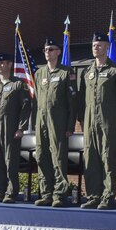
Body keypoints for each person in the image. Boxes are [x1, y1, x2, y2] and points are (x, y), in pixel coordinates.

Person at [79, 33, 116, 210]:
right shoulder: (86, 72)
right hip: (89, 122)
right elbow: (81, 98)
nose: (96, 47)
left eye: (100, 45)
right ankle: (94, 195)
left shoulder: (115, 70)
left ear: (107, 47)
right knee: (91, 158)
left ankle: (107, 197)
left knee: (107, 158)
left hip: (108, 121)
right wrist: (81, 118)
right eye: (94, 45)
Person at [33, 38, 78, 207]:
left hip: (58, 122)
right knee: (42, 156)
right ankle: (46, 193)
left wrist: (69, 126)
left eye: (51, 49)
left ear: (58, 52)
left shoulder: (66, 73)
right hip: (41, 122)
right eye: (46, 49)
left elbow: (72, 102)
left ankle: (59, 195)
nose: (48, 52)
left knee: (58, 158)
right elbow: (37, 99)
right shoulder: (39, 74)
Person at [0, 52, 31, 203]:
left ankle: (11, 193)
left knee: (10, 161)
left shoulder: (17, 84)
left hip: (11, 129)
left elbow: (25, 107)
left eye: (3, 63)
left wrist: (21, 128)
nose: (0, 65)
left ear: (10, 64)